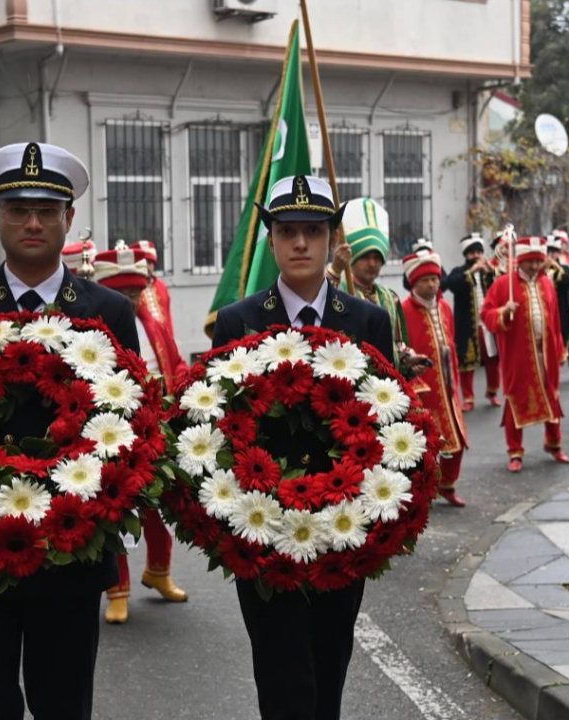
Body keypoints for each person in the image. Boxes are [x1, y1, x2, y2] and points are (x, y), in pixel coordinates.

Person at [0, 142, 140, 719]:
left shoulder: (107, 313)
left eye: (48, 211)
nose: (33, 222)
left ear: (68, 220)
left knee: (63, 704)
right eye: (18, 209)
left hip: (68, 555)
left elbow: (131, 427)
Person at [212, 175, 394, 720]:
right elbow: (220, 428)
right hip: (265, 532)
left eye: (311, 231)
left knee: (330, 662)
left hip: (343, 531)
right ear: (271, 239)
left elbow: (388, 422)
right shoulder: (239, 321)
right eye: (287, 230)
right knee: (279, 668)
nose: (299, 244)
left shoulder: (367, 321)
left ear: (331, 239)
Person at [90, 245, 189, 624]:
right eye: (122, 296)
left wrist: (183, 391)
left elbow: (175, 362)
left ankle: (159, 573)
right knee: (115, 513)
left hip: (156, 426)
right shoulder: (93, 330)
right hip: (110, 434)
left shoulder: (152, 322)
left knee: (159, 509)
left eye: (134, 295)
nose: (131, 303)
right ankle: (118, 591)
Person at [482, 236, 569, 472]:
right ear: (520, 261)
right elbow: (486, 314)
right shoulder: (503, 284)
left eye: (537, 261)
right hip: (518, 354)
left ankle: (553, 443)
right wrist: (503, 312)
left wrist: (559, 346)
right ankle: (515, 450)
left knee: (552, 395)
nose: (534, 266)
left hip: (546, 352)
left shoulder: (547, 284)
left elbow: (555, 319)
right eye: (529, 262)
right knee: (515, 398)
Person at [400, 249, 468, 506]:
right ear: (414, 282)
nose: (432, 284)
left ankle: (448, 485)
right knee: (426, 446)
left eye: (435, 279)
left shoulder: (445, 308)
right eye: (426, 280)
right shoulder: (404, 310)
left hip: (449, 385)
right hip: (423, 389)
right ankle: (423, 492)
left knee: (458, 441)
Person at [327, 197, 411, 365]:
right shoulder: (339, 288)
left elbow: (397, 346)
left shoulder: (390, 297)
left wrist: (410, 361)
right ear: (353, 257)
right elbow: (318, 300)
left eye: (377, 258)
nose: (372, 264)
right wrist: (335, 269)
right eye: (365, 257)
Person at [441, 232, 500, 409]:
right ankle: (468, 398)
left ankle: (492, 393)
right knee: (467, 363)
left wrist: (491, 272)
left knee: (492, 360)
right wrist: (471, 271)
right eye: (472, 253)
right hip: (467, 325)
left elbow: (500, 286)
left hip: (487, 325)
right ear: (466, 254)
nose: (476, 256)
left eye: (478, 252)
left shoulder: (488, 271)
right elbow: (450, 284)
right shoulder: (459, 272)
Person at [546, 233, 569, 382]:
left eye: (554, 252)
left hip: (561, 309)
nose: (550, 255)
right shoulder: (538, 269)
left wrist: (556, 266)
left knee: (568, 339)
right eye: (548, 251)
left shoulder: (563, 269)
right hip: (547, 311)